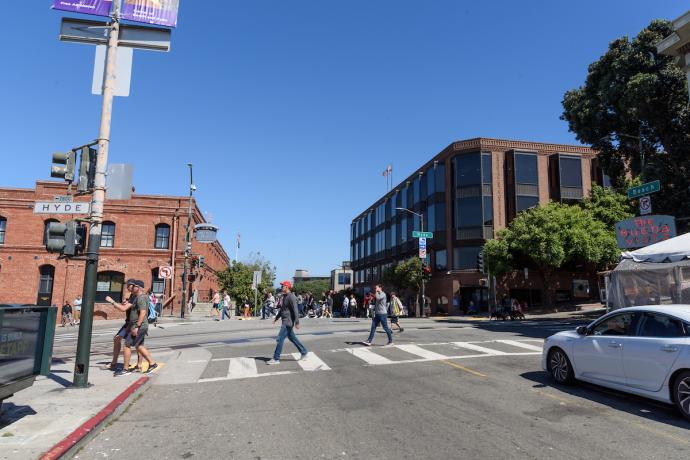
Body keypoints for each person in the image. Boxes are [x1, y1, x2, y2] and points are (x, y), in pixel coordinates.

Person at [107, 279, 159, 375]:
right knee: (139, 346)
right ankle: (152, 364)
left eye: (133, 286)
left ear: (137, 288)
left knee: (127, 345)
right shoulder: (136, 297)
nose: (130, 288)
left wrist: (137, 326)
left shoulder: (141, 298)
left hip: (138, 325)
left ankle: (126, 369)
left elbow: (143, 313)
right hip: (134, 325)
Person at [267, 281, 308, 365]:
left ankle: (276, 358)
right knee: (292, 338)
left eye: (282, 286)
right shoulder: (285, 296)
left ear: (286, 287)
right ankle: (303, 352)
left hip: (288, 322)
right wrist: (277, 318)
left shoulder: (291, 297)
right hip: (285, 320)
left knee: (280, 339)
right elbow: (282, 309)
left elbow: (295, 310)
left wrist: (297, 322)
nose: (281, 287)